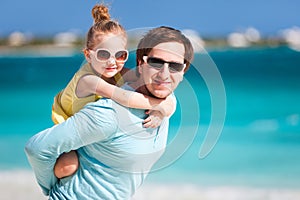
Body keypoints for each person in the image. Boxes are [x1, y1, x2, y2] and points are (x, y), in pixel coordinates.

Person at [25, 26, 194, 199]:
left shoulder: (165, 98)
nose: (164, 74)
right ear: (140, 64)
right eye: (156, 62)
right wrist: (50, 188)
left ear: (183, 71)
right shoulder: (109, 114)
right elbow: (36, 148)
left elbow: (168, 100)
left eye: (174, 66)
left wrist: (163, 109)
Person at [52, 4, 176, 179]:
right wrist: (159, 104)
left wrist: (161, 112)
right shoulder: (88, 80)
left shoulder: (120, 73)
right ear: (88, 55)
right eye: (104, 54)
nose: (112, 62)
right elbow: (124, 97)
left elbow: (155, 88)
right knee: (67, 167)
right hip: (68, 122)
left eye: (120, 55)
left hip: (93, 128)